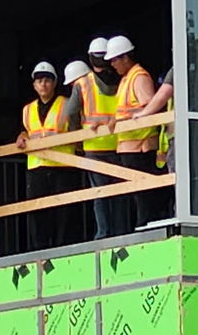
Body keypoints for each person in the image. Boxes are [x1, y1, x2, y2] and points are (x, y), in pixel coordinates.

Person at [15, 60, 79, 252]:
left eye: (47, 80)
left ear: (55, 83)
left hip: (63, 167)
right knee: (38, 213)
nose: (43, 84)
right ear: (34, 85)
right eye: (40, 81)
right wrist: (22, 136)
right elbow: (26, 131)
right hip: (37, 169)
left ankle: (64, 249)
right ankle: (40, 250)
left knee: (65, 215)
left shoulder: (66, 105)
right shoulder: (27, 110)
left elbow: (76, 130)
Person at [63, 38, 121, 239]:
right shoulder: (123, 78)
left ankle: (104, 232)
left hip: (94, 145)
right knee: (120, 191)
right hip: (121, 143)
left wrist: (77, 137)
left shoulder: (83, 83)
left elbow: (71, 112)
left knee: (99, 193)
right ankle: (122, 230)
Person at [105, 35, 162, 231]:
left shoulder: (139, 77)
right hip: (128, 147)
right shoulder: (126, 80)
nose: (113, 65)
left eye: (114, 60)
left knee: (144, 195)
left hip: (141, 146)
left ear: (125, 57)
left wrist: (121, 119)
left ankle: (145, 227)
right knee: (135, 195)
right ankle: (140, 226)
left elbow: (151, 107)